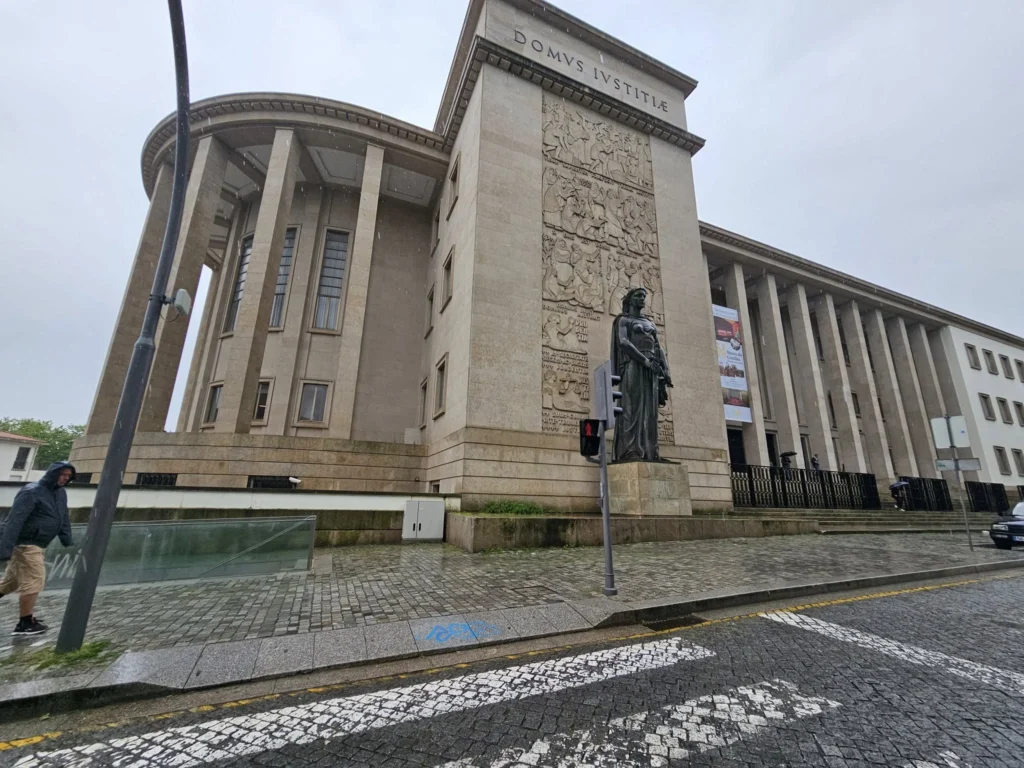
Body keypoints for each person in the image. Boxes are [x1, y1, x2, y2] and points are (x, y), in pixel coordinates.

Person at [0, 461, 76, 635]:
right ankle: (25, 623)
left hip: (38, 543)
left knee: (10, 583)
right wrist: (5, 549)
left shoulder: (60, 493)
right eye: (62, 474)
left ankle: (26, 621)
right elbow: (14, 520)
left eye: (68, 476)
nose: (65, 478)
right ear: (53, 473)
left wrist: (67, 539)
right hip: (26, 544)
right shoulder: (31, 492)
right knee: (35, 581)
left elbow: (63, 516)